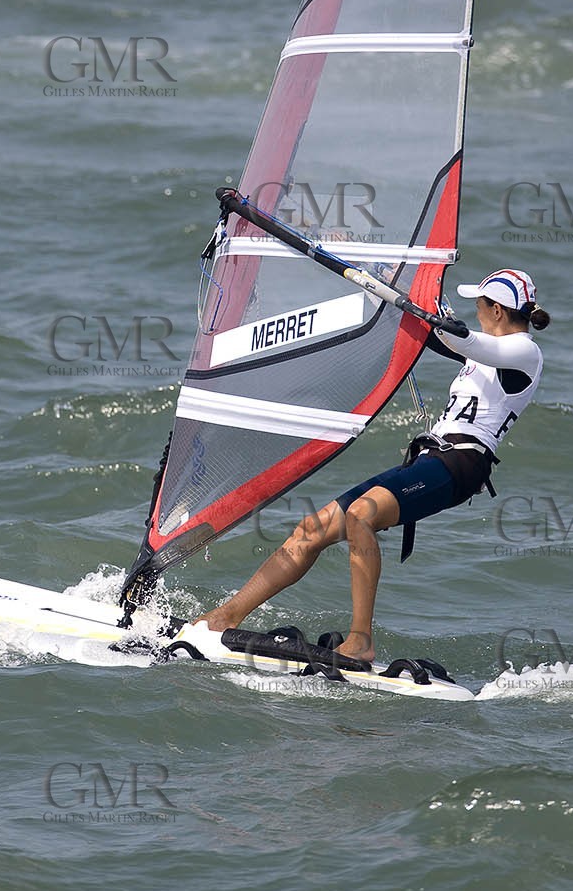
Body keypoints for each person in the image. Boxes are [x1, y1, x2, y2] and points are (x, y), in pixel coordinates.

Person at [190, 269, 550, 662]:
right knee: (312, 529)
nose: (476, 310)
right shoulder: (483, 348)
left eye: (480, 305)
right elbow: (434, 332)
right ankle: (227, 616)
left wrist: (440, 322)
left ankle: (361, 640)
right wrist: (382, 282)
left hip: (462, 464)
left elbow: (465, 340)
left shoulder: (523, 352)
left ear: (497, 311)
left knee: (361, 516)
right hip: (432, 458)